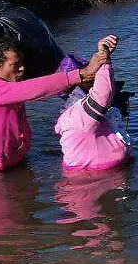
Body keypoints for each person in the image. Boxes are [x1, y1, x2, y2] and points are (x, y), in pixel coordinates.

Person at [0, 35, 108, 172]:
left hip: (18, 161)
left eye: (22, 63)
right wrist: (81, 73)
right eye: (15, 65)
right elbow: (32, 89)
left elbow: (40, 89)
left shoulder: (9, 83)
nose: (22, 68)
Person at [54, 34, 132, 172]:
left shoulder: (81, 109)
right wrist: (103, 56)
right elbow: (103, 93)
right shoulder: (78, 115)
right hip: (91, 182)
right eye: (92, 73)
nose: (96, 76)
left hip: (104, 177)